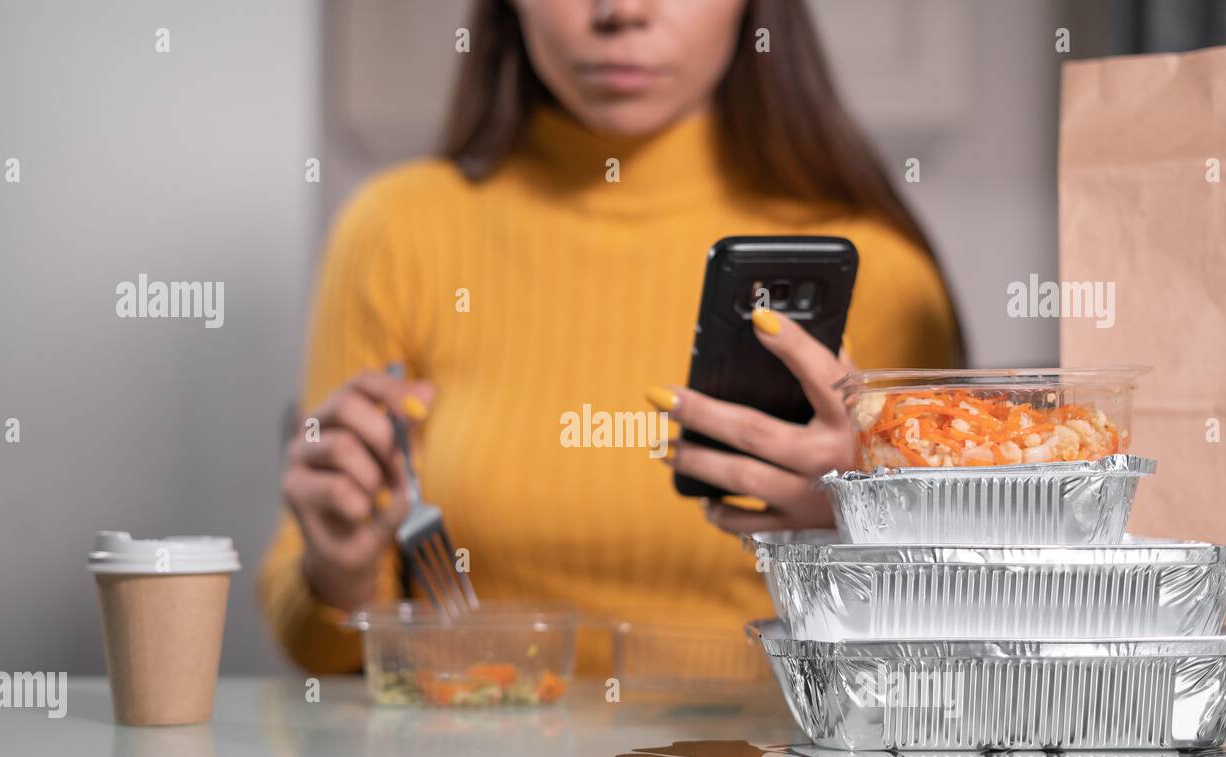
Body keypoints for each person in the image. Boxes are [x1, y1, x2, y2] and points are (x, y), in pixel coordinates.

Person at [260, 0, 958, 674]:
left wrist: (857, 533)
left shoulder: (887, 277)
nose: (622, 10)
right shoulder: (395, 233)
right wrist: (342, 567)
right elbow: (318, 651)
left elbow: (958, 645)